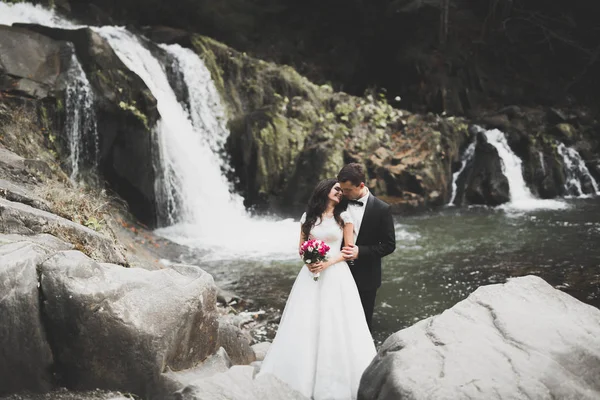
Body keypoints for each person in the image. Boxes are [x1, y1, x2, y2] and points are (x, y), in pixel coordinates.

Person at [257, 178, 376, 400]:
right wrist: (310, 261)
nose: (340, 193)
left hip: (337, 273)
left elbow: (348, 250)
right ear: (325, 190)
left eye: (342, 191)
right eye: (336, 189)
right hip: (310, 274)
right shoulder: (308, 217)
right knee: (305, 320)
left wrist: (327, 262)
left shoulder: (345, 217)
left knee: (337, 321)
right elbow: (301, 248)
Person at [336, 163, 396, 331]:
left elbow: (389, 245)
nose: (344, 193)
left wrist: (360, 251)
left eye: (348, 190)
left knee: (362, 325)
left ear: (361, 185)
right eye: (342, 189)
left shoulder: (382, 209)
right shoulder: (338, 202)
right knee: (338, 321)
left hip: (367, 277)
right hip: (338, 273)